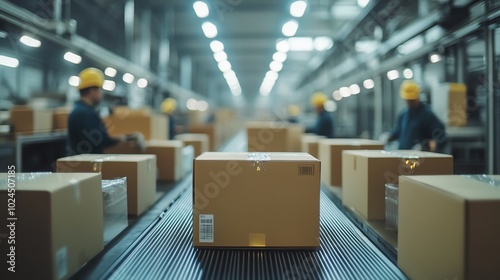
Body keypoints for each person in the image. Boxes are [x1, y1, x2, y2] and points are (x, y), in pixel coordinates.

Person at [67, 67, 127, 155]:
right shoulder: (84, 113)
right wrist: (123, 138)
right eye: (100, 89)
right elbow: (99, 140)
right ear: (93, 90)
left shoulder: (80, 110)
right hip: (86, 166)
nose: (102, 93)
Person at [388, 80, 448, 152]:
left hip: (419, 159)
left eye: (412, 100)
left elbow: (441, 136)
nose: (409, 103)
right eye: (407, 100)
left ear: (417, 97)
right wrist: (389, 137)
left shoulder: (427, 115)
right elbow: (398, 131)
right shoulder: (403, 114)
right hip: (403, 155)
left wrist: (428, 146)